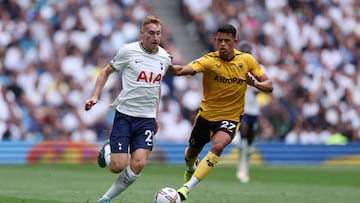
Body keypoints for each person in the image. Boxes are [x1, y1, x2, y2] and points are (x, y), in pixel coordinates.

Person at [168, 24, 273, 201]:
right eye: (219, 40)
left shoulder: (246, 60)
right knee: (191, 153)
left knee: (218, 145)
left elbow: (269, 86)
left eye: (227, 41)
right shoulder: (209, 60)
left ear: (234, 42)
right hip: (206, 115)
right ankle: (190, 168)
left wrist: (254, 84)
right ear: (215, 40)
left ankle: (186, 189)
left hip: (230, 117)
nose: (222, 44)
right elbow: (181, 70)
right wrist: (169, 66)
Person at [84, 15, 173, 203]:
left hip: (146, 119)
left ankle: (105, 199)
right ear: (142, 34)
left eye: (158, 33)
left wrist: (155, 116)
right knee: (117, 166)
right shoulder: (128, 51)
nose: (156, 37)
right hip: (125, 115)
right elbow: (106, 71)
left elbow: (156, 87)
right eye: (151, 33)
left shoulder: (164, 57)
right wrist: (95, 96)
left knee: (139, 164)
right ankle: (108, 149)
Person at [236, 41, 266, 183]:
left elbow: (266, 85)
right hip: (242, 108)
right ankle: (241, 169)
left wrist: (258, 88)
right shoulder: (236, 67)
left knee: (250, 144)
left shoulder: (258, 69)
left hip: (254, 109)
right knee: (243, 135)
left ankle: (244, 165)